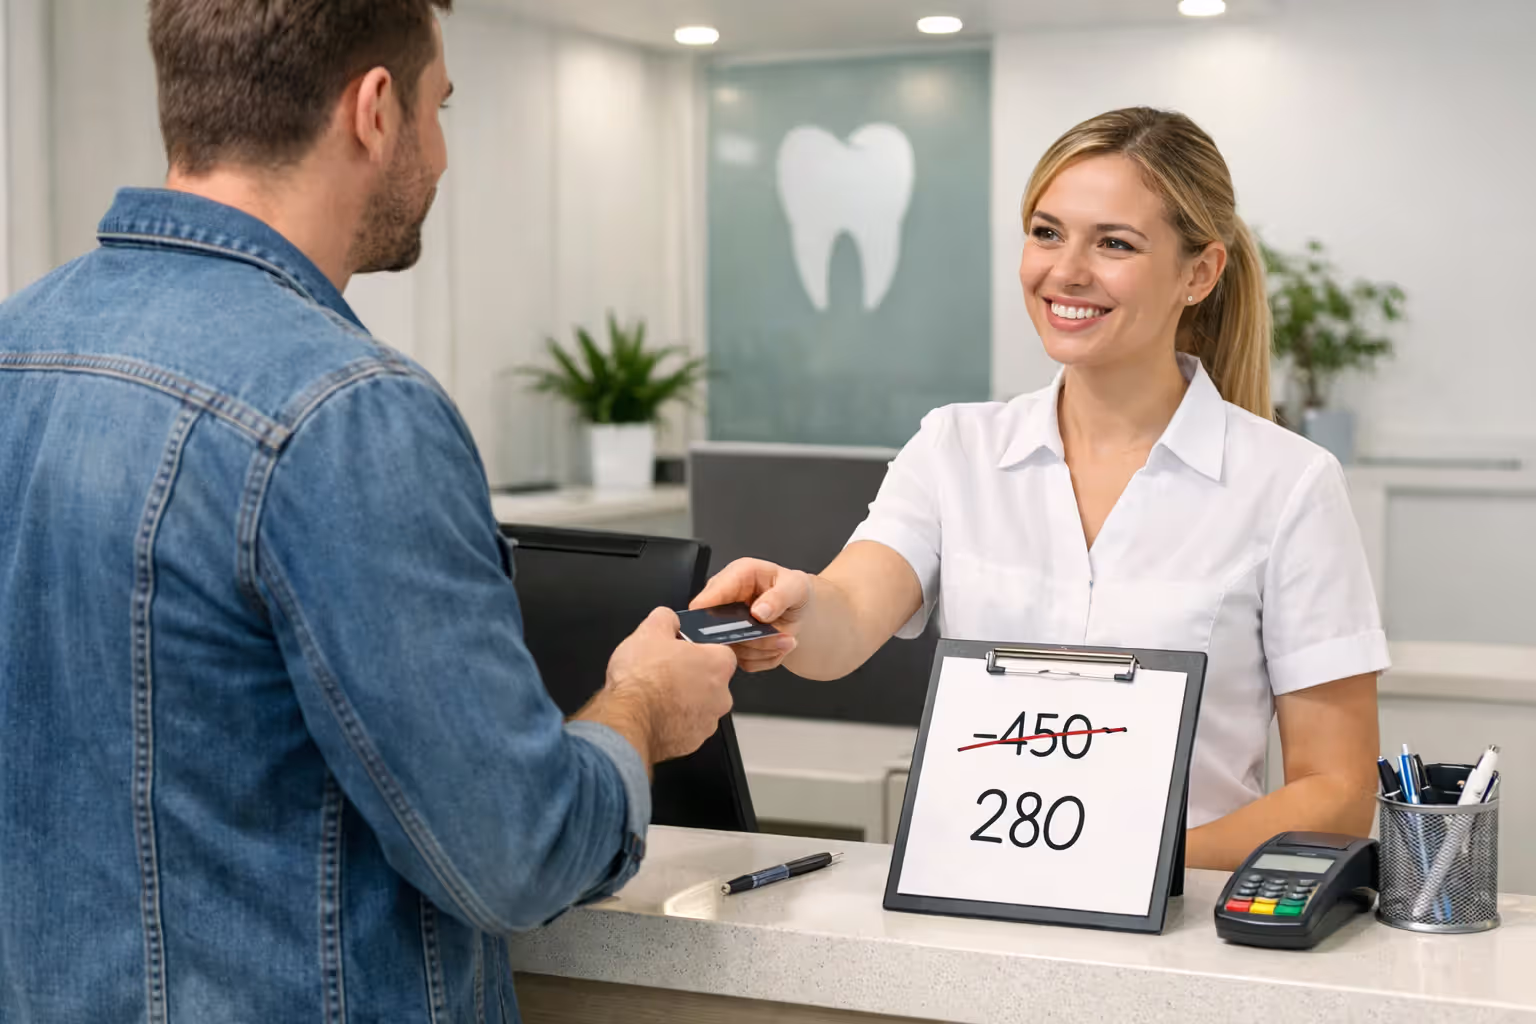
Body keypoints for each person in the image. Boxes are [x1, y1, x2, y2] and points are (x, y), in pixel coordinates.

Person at [0, 2, 737, 1021]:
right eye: (441, 106)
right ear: (375, 109)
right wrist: (642, 708)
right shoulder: (346, 410)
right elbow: (515, 854)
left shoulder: (16, 344)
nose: (441, 153)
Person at [695, 107, 1385, 871]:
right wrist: (790, 602)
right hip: (972, 908)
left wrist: (1131, 872)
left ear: (1200, 273)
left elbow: (1338, 791)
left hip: (1185, 939)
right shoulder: (955, 448)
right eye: (1047, 232)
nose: (1065, 271)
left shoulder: (1290, 484)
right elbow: (848, 614)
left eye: (1114, 243)